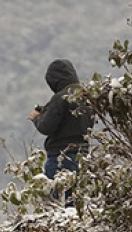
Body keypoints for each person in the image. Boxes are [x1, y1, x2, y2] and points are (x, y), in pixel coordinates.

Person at [27, 59, 94, 205]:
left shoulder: (60, 98)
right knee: (76, 205)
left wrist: (37, 118)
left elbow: (46, 127)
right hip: (82, 157)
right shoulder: (86, 96)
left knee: (51, 204)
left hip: (60, 157)